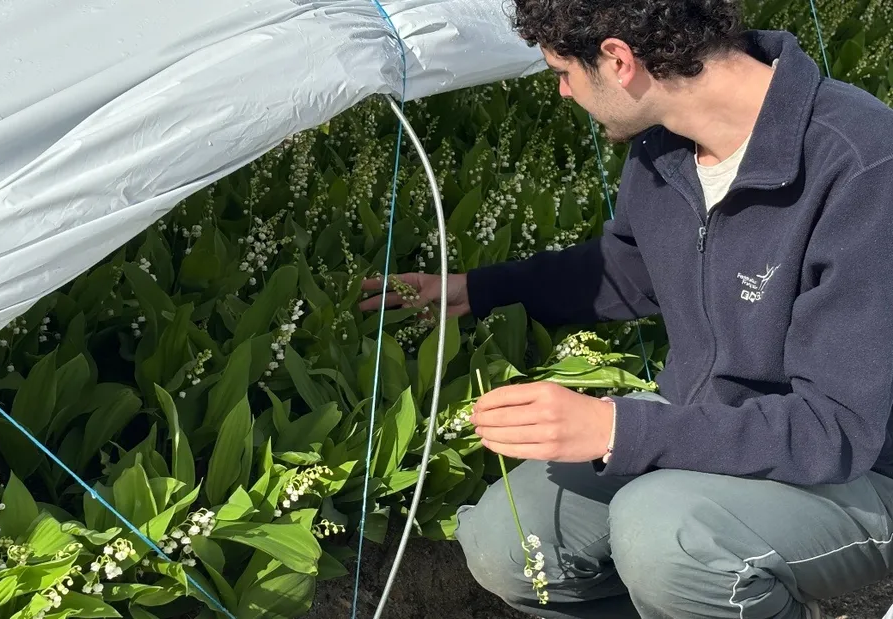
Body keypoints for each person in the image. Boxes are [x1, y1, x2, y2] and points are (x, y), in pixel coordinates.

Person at [358, 1, 893, 618]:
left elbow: (836, 429)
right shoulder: (667, 147)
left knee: (670, 537)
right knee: (512, 539)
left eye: (562, 72)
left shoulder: (863, 166)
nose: (562, 92)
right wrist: (476, 290)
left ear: (618, 60)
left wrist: (616, 428)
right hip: (709, 425)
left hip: (861, 468)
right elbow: (630, 268)